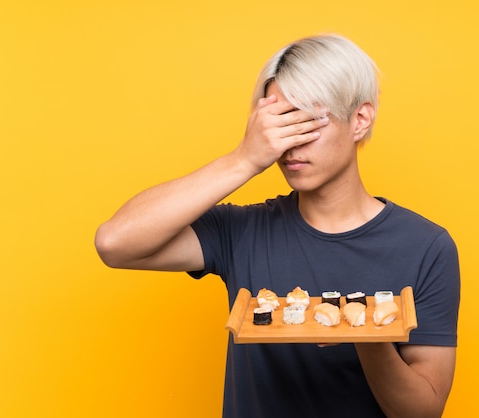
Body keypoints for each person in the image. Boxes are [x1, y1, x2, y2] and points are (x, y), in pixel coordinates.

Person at [95, 34, 460, 418]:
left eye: (305, 121)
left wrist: (369, 338)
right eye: (277, 124)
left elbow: (423, 411)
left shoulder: (427, 247)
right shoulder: (242, 231)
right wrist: (244, 159)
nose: (288, 144)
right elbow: (114, 242)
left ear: (360, 119)